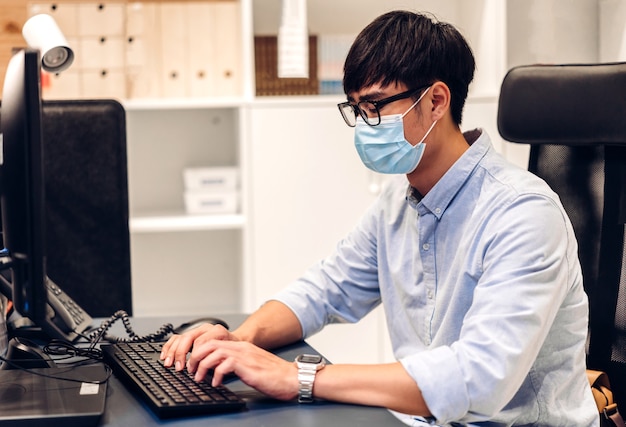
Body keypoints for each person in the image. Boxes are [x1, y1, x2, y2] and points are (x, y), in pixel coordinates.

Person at [161, 10, 599, 426]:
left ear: (436, 101)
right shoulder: (399, 204)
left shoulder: (522, 214)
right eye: (357, 110)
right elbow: (325, 290)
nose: (366, 125)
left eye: (376, 106)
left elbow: (479, 378)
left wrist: (297, 377)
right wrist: (239, 340)